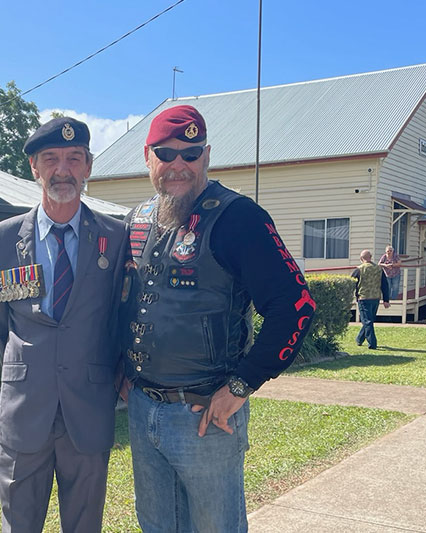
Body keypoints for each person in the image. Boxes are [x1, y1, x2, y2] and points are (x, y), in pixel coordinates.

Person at [118, 105, 317, 532]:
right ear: (147, 156)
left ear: (206, 156)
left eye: (190, 154)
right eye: (166, 153)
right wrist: (123, 370)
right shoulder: (135, 221)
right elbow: (125, 304)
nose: (178, 165)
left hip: (205, 414)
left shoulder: (239, 218)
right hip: (141, 407)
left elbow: (296, 306)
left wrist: (241, 385)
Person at [0, 117, 127, 533]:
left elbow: (116, 320)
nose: (62, 170)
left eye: (73, 159)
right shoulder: (0, 241)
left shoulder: (114, 239)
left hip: (88, 410)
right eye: (51, 159)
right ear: (34, 167)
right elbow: (2, 328)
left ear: (88, 167)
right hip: (25, 412)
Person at [352, 249, 391, 349]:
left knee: (367, 321)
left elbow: (352, 283)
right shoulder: (379, 269)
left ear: (361, 259)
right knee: (369, 320)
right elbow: (384, 285)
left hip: (363, 298)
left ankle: (372, 343)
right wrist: (386, 300)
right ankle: (359, 339)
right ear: (371, 257)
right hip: (375, 298)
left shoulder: (359, 269)